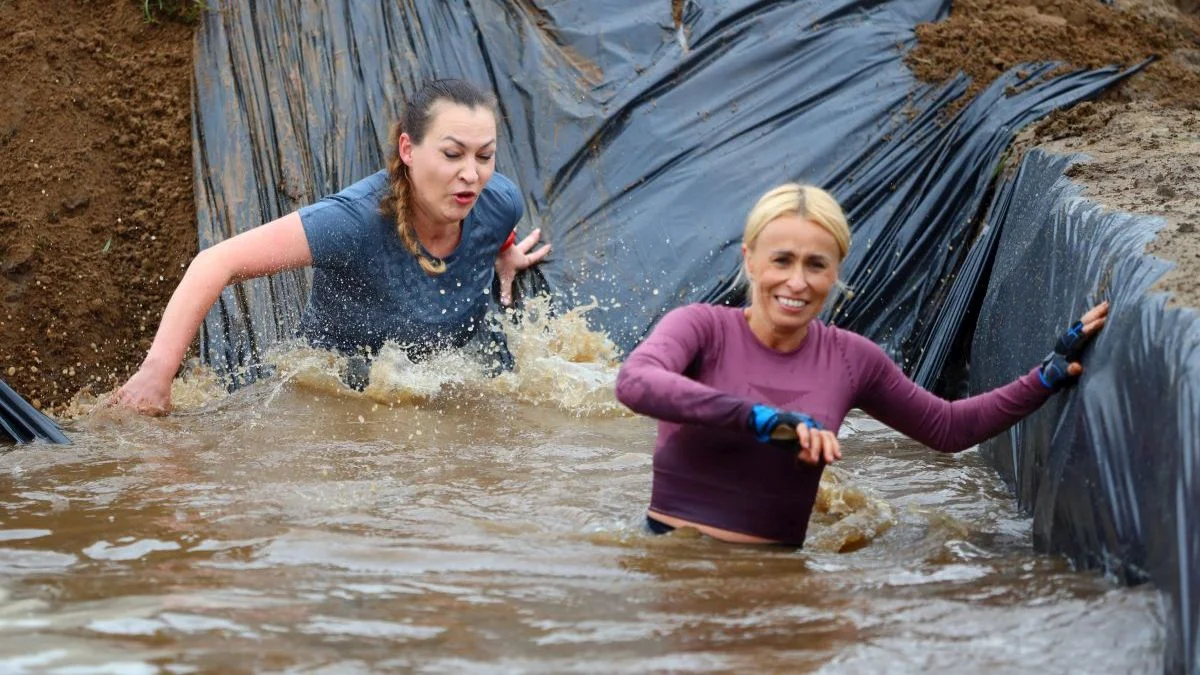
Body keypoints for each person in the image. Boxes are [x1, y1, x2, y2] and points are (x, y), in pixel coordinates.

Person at [614, 183, 1108, 547]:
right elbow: (636, 384)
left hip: (779, 586)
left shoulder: (851, 358)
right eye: (781, 260)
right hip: (670, 568)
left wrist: (1044, 376)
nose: (797, 282)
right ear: (749, 260)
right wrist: (759, 419)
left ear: (836, 273)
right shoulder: (700, 328)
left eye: (816, 265)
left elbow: (949, 428)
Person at [114, 79, 550, 415]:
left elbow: (499, 219)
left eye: (485, 156)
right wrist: (157, 373)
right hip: (338, 391)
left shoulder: (500, 201)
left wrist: (504, 251)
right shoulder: (353, 221)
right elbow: (216, 262)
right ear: (408, 150)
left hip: (440, 382)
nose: (472, 175)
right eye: (453, 154)